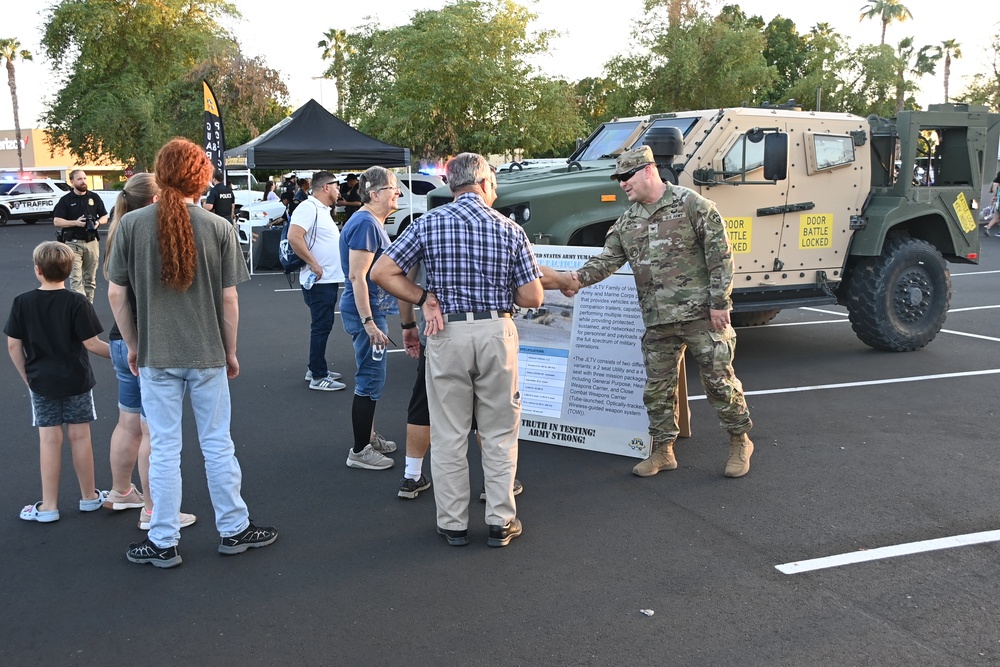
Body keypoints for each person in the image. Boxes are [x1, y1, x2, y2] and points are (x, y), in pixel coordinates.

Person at [106, 138, 276, 569]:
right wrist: (230, 350)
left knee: (163, 448)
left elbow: (114, 293)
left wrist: (134, 343)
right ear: (202, 178)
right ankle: (234, 529)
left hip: (155, 356)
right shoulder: (218, 227)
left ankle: (163, 540)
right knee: (218, 445)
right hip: (207, 355)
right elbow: (230, 301)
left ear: (160, 174)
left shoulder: (131, 225)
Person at [372, 152, 543, 548]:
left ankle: (452, 524)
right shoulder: (510, 229)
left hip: (445, 331)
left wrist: (424, 296)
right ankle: (501, 520)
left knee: (449, 432)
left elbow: (382, 272)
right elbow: (532, 296)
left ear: (452, 186)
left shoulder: (428, 223)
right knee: (499, 430)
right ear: (484, 184)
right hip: (496, 331)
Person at [551, 146, 754, 479]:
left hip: (701, 316)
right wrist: (573, 280)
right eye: (618, 179)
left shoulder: (692, 205)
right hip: (658, 321)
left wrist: (720, 303)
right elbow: (606, 262)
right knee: (657, 390)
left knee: (719, 382)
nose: (622, 185)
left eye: (626, 177)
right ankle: (663, 450)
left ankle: (739, 441)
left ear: (648, 171)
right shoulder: (627, 222)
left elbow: (720, 256)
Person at [101, 173, 197, 530]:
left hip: (118, 337)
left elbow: (115, 293)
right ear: (156, 200)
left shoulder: (118, 231)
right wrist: (135, 344)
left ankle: (122, 491)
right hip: (142, 341)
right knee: (154, 429)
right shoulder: (147, 233)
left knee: (129, 422)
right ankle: (154, 509)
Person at [6, 241, 110, 522]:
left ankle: (49, 506)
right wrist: (124, 355)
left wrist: (27, 378)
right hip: (76, 379)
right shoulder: (77, 301)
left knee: (49, 441)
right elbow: (92, 344)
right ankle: (89, 497)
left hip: (42, 381)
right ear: (67, 271)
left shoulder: (22, 302)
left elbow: (14, 346)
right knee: (80, 436)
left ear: (38, 270)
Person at [340, 166, 400, 471]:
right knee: (370, 378)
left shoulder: (369, 221)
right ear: (375, 194)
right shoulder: (365, 223)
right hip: (367, 312)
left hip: (370, 310)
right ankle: (360, 450)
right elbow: (357, 275)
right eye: (393, 188)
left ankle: (369, 436)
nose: (398, 192)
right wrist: (369, 323)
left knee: (370, 376)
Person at [286, 171, 347, 391]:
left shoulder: (321, 210)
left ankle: (316, 367)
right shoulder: (309, 207)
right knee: (321, 327)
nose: (339, 190)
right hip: (319, 280)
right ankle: (318, 376)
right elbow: (294, 236)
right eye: (337, 186)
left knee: (323, 325)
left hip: (326, 279)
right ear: (326, 187)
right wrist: (313, 263)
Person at [52, 169, 109, 303]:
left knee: (90, 279)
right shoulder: (66, 200)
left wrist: (98, 222)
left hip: (91, 242)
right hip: (73, 243)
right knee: (76, 279)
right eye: (79, 179)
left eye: (84, 178)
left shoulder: (94, 197)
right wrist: (76, 223)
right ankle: (80, 307)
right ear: (72, 182)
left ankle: (88, 306)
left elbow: (105, 216)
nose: (83, 181)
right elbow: (56, 221)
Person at [983, 171, 1000, 237]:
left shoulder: (997, 186)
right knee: (997, 217)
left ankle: (987, 226)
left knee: (996, 217)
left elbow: (994, 187)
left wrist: (992, 204)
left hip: (998, 203)